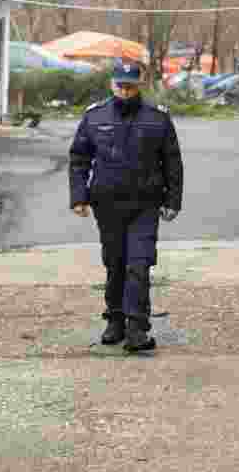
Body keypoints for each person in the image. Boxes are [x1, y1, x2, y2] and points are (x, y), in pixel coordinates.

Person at [68, 60, 184, 352]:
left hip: (145, 204)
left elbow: (172, 162)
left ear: (140, 84)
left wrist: (173, 201)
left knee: (139, 265)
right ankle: (115, 320)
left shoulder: (157, 118)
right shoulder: (95, 117)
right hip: (107, 204)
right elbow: (79, 158)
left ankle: (137, 328)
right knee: (115, 263)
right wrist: (79, 197)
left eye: (130, 86)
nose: (125, 91)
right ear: (111, 84)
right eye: (120, 85)